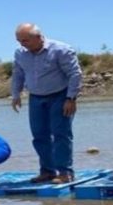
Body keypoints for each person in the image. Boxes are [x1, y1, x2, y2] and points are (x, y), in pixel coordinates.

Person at [11, 23, 82, 184]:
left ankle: (65, 172)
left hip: (60, 96)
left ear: (38, 37)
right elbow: (18, 74)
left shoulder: (61, 49)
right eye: (19, 41)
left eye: (25, 40)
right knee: (39, 135)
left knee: (61, 134)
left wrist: (71, 98)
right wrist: (16, 94)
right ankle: (48, 171)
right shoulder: (21, 53)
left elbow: (74, 74)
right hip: (36, 97)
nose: (22, 44)